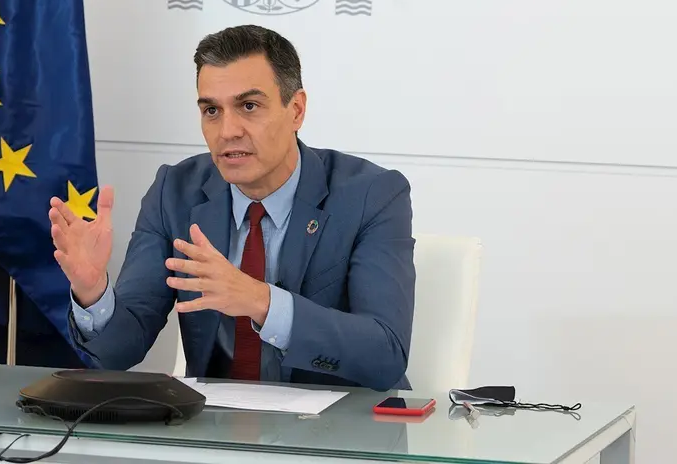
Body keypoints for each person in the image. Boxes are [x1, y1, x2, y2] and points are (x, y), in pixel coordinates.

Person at [48, 25, 415, 390]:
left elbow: (385, 354)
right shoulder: (174, 193)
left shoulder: (372, 195)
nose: (227, 131)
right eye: (211, 110)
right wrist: (93, 292)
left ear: (297, 111)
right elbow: (117, 351)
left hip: (338, 435)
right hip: (216, 433)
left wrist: (262, 301)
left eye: (249, 106)